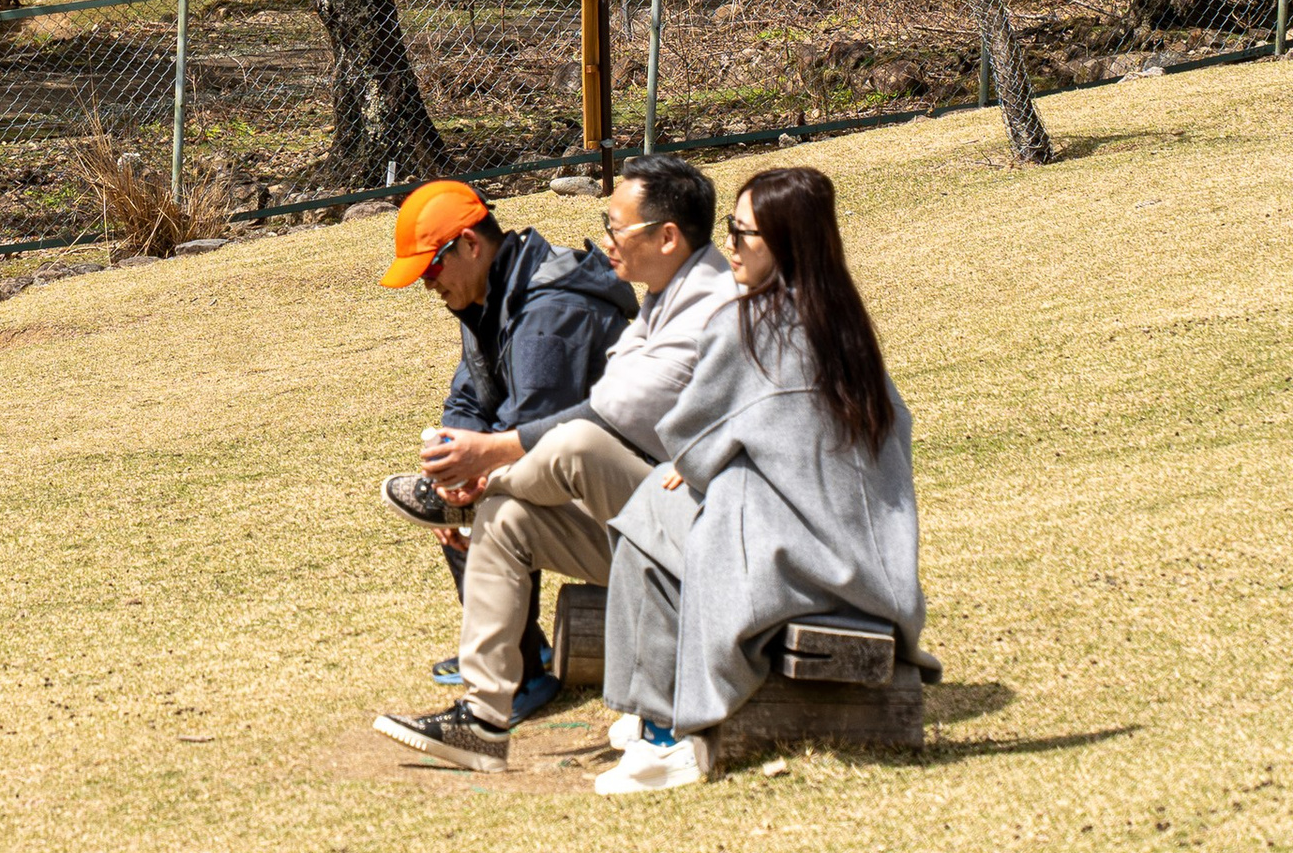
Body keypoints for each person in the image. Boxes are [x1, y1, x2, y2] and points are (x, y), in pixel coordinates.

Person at [373, 155, 729, 771]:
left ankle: (524, 645)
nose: (606, 239)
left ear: (667, 236)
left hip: (709, 539)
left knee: (565, 447)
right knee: (505, 517)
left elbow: (601, 415)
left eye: (616, 226)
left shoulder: (701, 304)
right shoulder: (653, 302)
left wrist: (476, 475)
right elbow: (474, 394)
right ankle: (485, 717)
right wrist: (467, 462)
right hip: (646, 523)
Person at [597, 162, 923, 798]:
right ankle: (653, 719)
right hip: (873, 563)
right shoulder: (847, 324)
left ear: (785, 242)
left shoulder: (746, 321)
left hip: (791, 563)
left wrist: (692, 468)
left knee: (646, 518)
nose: (732, 246)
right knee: (673, 511)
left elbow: (688, 436)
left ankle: (663, 732)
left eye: (743, 233)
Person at [370, 179, 634, 722]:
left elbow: (533, 435)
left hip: (630, 519)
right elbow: (468, 396)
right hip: (584, 494)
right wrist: (452, 467)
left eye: (431, 268)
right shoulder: (491, 297)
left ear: (470, 244)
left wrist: (465, 486)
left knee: (479, 502)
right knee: (459, 494)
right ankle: (517, 651)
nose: (427, 285)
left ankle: (518, 671)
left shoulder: (549, 312)